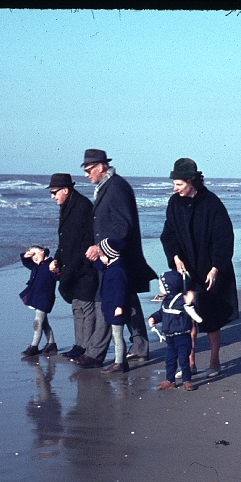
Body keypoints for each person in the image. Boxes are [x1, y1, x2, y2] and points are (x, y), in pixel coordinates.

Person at [161, 158, 239, 379]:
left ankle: (215, 361)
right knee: (189, 318)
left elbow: (224, 238)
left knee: (212, 319)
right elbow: (169, 234)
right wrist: (175, 257)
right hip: (187, 270)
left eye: (178, 184)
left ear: (192, 181)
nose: (175, 188)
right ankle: (190, 363)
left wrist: (216, 267)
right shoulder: (174, 203)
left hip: (211, 269)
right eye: (174, 184)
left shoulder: (212, 203)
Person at [80, 149, 157, 368]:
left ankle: (95, 354)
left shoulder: (117, 187)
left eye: (88, 170)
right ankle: (140, 347)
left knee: (109, 299)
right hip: (116, 256)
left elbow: (123, 226)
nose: (86, 174)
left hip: (117, 257)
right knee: (128, 300)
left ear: (101, 166)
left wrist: (99, 247)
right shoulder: (108, 187)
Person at [46, 173, 99, 361]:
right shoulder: (67, 205)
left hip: (84, 266)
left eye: (54, 192)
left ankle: (87, 348)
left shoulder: (83, 206)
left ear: (65, 190)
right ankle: (79, 345)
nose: (53, 196)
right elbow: (64, 240)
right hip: (71, 264)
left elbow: (89, 238)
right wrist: (56, 259)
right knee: (77, 306)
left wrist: (82, 262)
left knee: (86, 306)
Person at [149, 270, 201, 391]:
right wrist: (154, 318)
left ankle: (187, 380)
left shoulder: (181, 300)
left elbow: (192, 309)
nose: (160, 288)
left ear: (169, 287)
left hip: (182, 336)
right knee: (170, 360)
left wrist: (189, 302)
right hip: (170, 337)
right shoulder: (165, 301)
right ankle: (170, 380)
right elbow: (161, 313)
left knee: (184, 360)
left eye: (161, 285)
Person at [92, 239, 130, 373]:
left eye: (101, 256)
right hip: (111, 307)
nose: (100, 258)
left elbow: (121, 290)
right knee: (116, 336)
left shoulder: (118, 270)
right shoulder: (112, 266)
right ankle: (122, 362)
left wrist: (119, 306)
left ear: (109, 255)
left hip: (117, 309)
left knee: (117, 336)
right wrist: (94, 259)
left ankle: (119, 363)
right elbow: (102, 267)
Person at [19, 246, 59, 357]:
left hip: (45, 298)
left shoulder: (50, 264)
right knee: (44, 322)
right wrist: (26, 256)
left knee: (37, 322)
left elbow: (57, 276)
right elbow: (26, 263)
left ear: (43, 251)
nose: (34, 258)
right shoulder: (35, 265)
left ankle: (33, 346)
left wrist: (56, 268)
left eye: (35, 254)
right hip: (35, 297)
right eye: (32, 256)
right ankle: (51, 344)